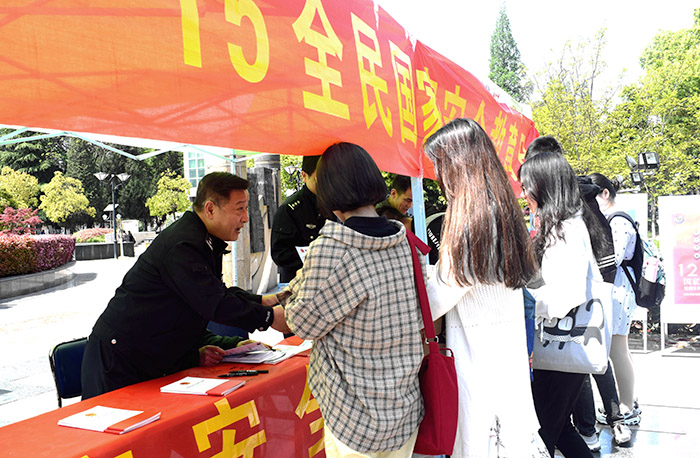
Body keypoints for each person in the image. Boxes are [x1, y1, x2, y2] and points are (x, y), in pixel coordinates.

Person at [81, 172, 289, 399]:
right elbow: (213, 303)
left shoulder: (205, 240)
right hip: (120, 360)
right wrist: (269, 317)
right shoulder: (184, 244)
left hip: (152, 356)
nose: (246, 218)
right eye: (240, 209)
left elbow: (215, 291)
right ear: (210, 209)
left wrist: (262, 301)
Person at [283, 142, 423, 457]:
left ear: (328, 191)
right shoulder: (405, 242)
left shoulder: (332, 247)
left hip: (353, 416)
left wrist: (291, 295)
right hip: (404, 408)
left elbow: (302, 323)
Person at [422, 118, 548, 457]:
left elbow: (436, 299)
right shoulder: (502, 209)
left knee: (484, 442)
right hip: (505, 355)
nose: (438, 176)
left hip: (479, 359)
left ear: (457, 165)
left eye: (440, 165)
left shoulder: (468, 222)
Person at [525, 136, 630, 449]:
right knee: (558, 431)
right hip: (561, 346)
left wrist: (526, 304)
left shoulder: (565, 229)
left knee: (545, 433)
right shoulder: (564, 222)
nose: (524, 193)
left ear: (544, 185)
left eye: (527, 185)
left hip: (560, 340)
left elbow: (564, 297)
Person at [589, 172, 642, 426]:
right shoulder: (615, 218)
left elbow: (614, 257)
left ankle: (627, 407)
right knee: (619, 349)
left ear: (605, 193)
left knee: (617, 350)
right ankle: (628, 401)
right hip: (617, 290)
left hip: (618, 291)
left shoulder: (618, 220)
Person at [271, 155, 326, 283]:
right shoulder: (290, 209)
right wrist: (315, 260)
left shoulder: (335, 205)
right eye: (320, 179)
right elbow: (280, 254)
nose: (326, 184)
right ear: (304, 176)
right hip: (299, 281)